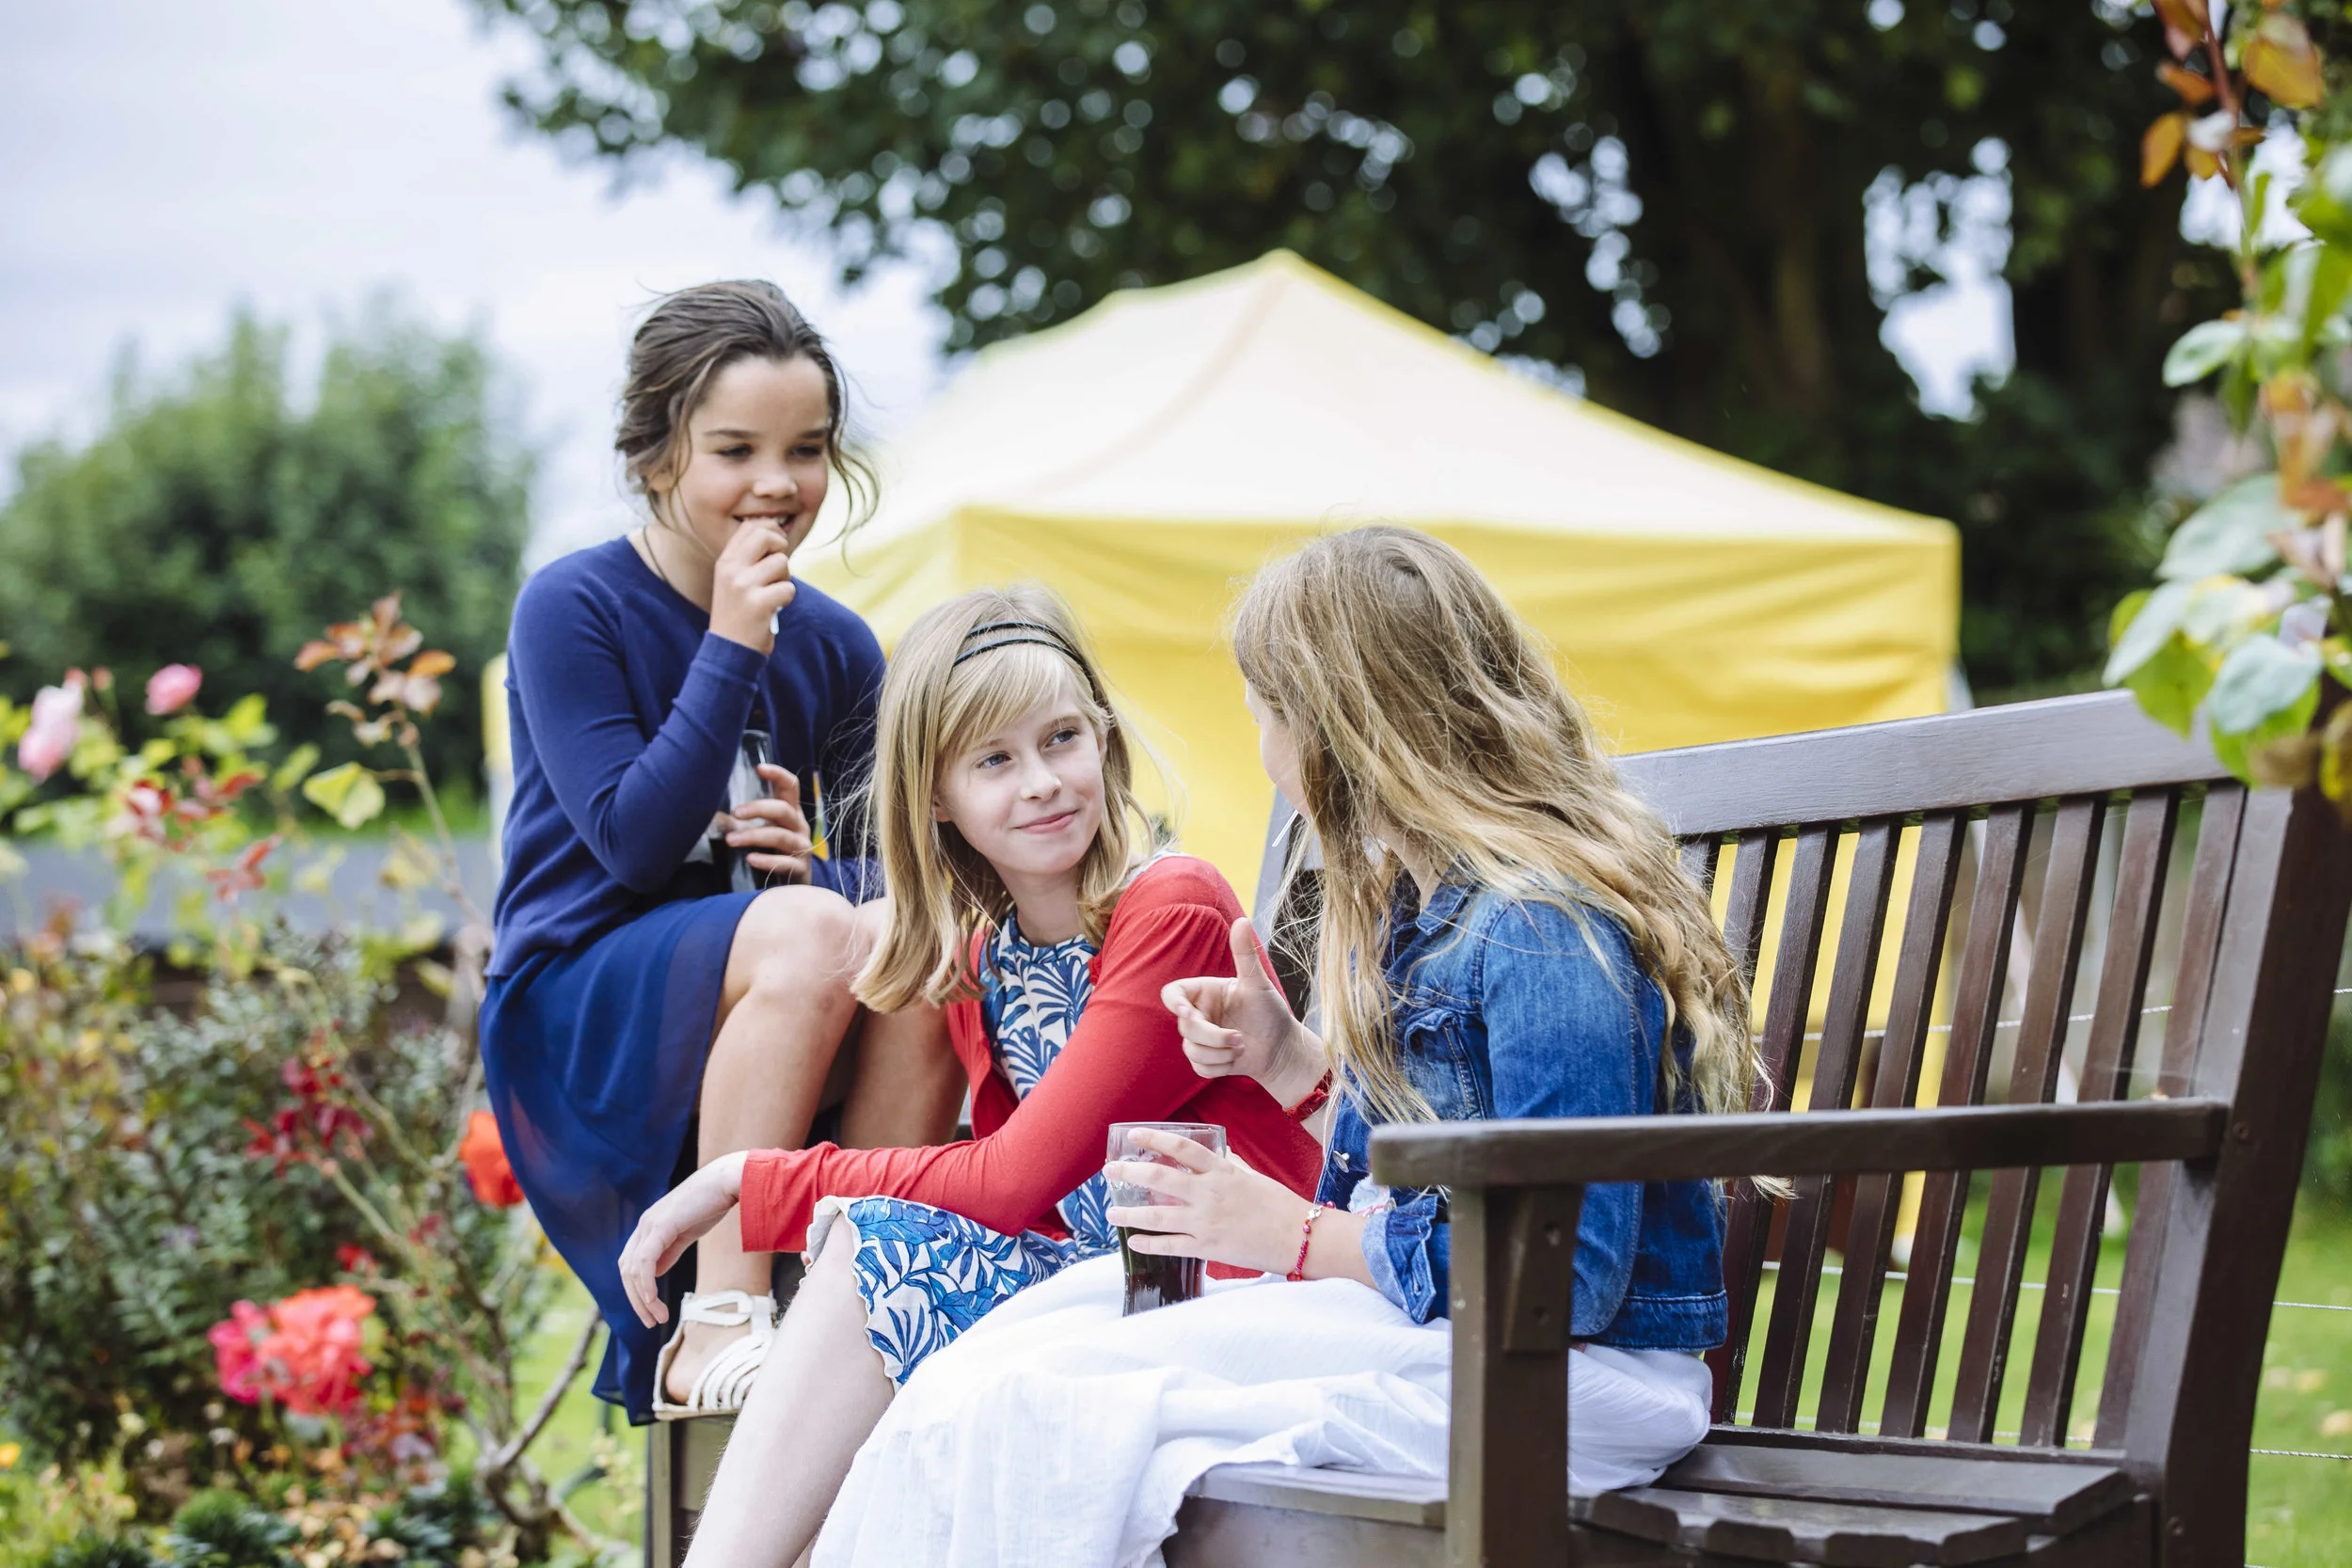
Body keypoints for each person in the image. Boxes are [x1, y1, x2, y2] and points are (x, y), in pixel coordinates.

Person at [799, 526, 1757, 1567]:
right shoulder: (1424, 907)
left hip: (1570, 1381)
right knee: (990, 1374)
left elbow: (1566, 1275)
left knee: (1052, 1404)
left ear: (1344, 733)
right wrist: (1288, 1061)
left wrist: (1298, 1237)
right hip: (1456, 1342)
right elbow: (1440, 1162)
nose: (1261, 749)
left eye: (1267, 715)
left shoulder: (1539, 931)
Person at [613, 585, 1328, 1568]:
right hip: (1093, 1286)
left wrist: (749, 1177)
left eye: (1062, 738)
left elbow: (1009, 1179)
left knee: (874, 1248)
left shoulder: (1171, 908)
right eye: (995, 759)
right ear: (936, 796)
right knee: (873, 1269)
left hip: (1230, 1280)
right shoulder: (984, 954)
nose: (1042, 782)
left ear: (1104, 740)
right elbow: (1016, 1197)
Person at [479, 280, 964, 1425]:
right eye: (735, 450)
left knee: (918, 943)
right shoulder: (571, 607)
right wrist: (733, 640)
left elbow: (914, 875)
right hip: (580, 997)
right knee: (812, 933)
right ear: (656, 456)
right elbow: (633, 844)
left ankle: (859, 1294)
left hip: (769, 987)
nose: (777, 483)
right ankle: (718, 1319)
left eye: (807, 449)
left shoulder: (836, 642)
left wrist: (817, 867)